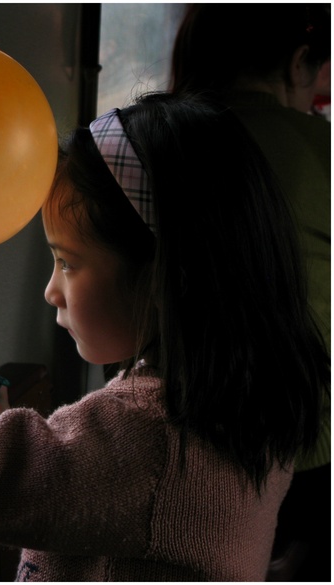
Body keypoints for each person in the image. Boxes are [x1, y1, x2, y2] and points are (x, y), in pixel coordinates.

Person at [0, 91, 328, 581]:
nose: (51, 291)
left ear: (164, 277)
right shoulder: (249, 397)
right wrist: (26, 452)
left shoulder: (148, 443)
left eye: (68, 262)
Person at [171, 6, 331, 579]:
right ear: (297, 64)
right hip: (307, 441)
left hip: (178, 431)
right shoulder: (319, 148)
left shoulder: (156, 140)